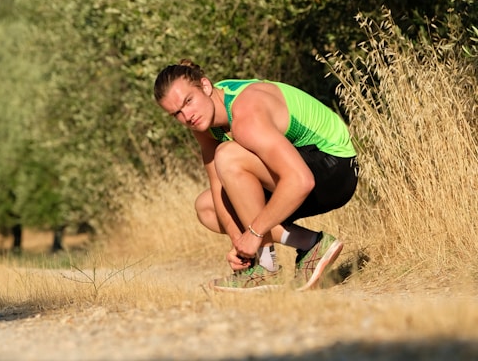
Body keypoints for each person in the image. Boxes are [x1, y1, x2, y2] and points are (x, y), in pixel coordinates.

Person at [153, 59, 359, 292]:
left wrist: (254, 233)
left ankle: (266, 266)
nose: (187, 116)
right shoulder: (204, 121)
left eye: (188, 102)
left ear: (206, 86)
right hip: (303, 171)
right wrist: (239, 245)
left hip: (335, 169)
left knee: (228, 155)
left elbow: (301, 181)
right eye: (176, 113)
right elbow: (218, 186)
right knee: (207, 206)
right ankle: (307, 246)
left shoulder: (245, 112)